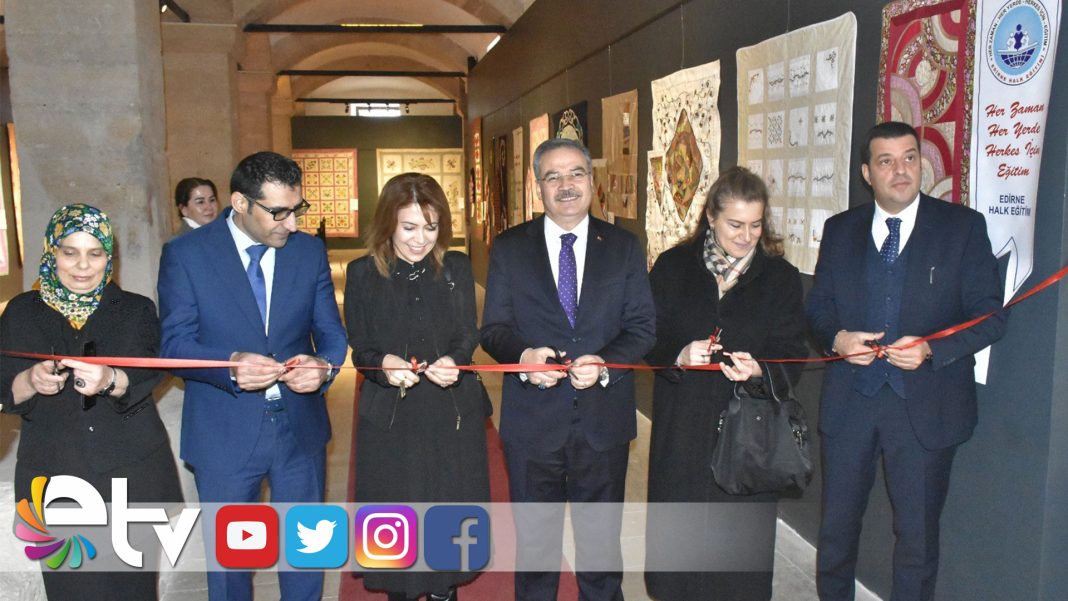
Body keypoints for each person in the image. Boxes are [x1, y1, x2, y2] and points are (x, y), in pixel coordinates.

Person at [806, 121, 1007, 601]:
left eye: (910, 158)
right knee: (836, 533)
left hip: (925, 408)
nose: (901, 170)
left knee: (917, 541)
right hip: (851, 404)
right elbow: (819, 308)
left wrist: (932, 349)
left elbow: (991, 317)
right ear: (866, 173)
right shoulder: (840, 230)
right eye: (886, 161)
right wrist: (837, 340)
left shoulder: (962, 228)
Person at [157, 151, 347, 601]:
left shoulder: (308, 251)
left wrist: (323, 368)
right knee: (232, 567)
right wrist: (231, 365)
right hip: (224, 432)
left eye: (296, 209)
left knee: (307, 552)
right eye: (278, 212)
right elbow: (174, 347)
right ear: (241, 203)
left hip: (299, 430)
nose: (292, 224)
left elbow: (332, 334)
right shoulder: (187, 254)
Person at [481, 137, 656, 601]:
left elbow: (642, 328)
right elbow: (494, 329)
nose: (566, 185)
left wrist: (605, 364)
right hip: (532, 423)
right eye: (553, 176)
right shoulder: (510, 248)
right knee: (536, 547)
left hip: (603, 421)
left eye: (576, 173)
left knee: (600, 547)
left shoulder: (622, 247)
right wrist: (524, 358)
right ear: (537, 186)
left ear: (592, 181)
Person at [643, 167, 808, 601]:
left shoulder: (780, 278)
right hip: (683, 423)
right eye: (735, 224)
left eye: (756, 225)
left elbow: (793, 350)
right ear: (711, 217)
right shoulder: (673, 267)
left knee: (738, 549)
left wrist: (760, 370)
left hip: (747, 432)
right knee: (679, 534)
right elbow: (647, 336)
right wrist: (678, 354)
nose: (746, 236)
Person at [1, 204, 181, 600]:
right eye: (70, 252)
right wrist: (29, 381)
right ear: (52, 252)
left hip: (132, 475)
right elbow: (3, 386)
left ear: (108, 257)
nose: (83, 266)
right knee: (71, 591)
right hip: (55, 479)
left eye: (95, 253)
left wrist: (113, 380)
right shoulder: (21, 312)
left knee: (134, 591)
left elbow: (154, 369)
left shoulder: (134, 309)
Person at [344, 173, 490, 601]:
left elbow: (467, 333)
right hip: (392, 416)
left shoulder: (456, 266)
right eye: (409, 227)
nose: (420, 239)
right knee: (397, 515)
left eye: (431, 227)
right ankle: (401, 591)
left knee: (448, 509)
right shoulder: (362, 273)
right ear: (387, 223)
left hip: (450, 412)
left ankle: (445, 590)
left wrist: (456, 360)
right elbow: (360, 346)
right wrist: (382, 365)